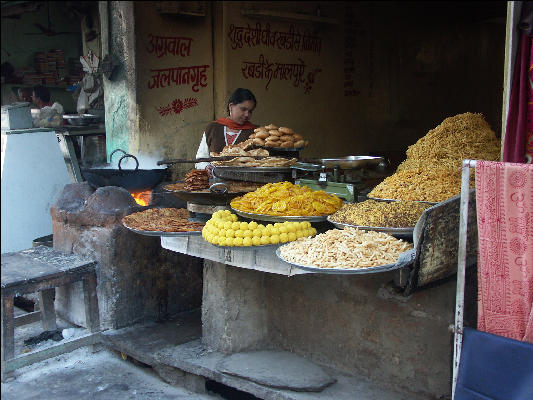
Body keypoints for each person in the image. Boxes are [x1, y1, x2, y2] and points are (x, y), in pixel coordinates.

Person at [195, 88, 257, 169]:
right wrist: (206, 167)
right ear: (231, 106)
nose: (246, 114)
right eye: (243, 109)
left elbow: (261, 160)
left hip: (245, 180)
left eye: (250, 111)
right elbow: (200, 158)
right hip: (214, 180)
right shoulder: (213, 128)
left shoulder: (255, 132)